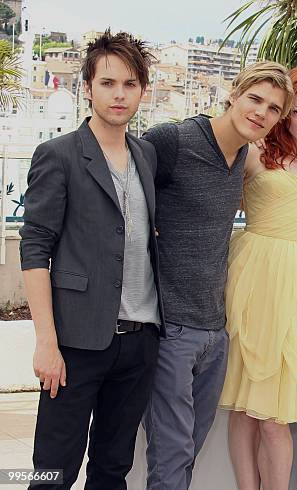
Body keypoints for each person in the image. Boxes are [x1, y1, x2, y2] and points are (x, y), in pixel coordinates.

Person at [141, 61, 294, 490]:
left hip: (214, 329)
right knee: (170, 455)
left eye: (273, 108)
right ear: (234, 93)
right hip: (171, 325)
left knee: (188, 450)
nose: (261, 112)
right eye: (255, 99)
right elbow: (121, 197)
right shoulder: (173, 140)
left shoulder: (245, 157)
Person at [20, 30, 162, 489]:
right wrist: (46, 342)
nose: (119, 94)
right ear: (88, 88)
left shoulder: (146, 155)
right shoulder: (58, 156)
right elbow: (35, 246)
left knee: (112, 468)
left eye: (129, 84)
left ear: (142, 89)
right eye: (107, 83)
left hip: (139, 340)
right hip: (76, 342)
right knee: (52, 470)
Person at [218, 67, 297, 490]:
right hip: (259, 278)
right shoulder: (254, 152)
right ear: (284, 112)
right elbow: (210, 196)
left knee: (276, 416)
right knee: (247, 406)